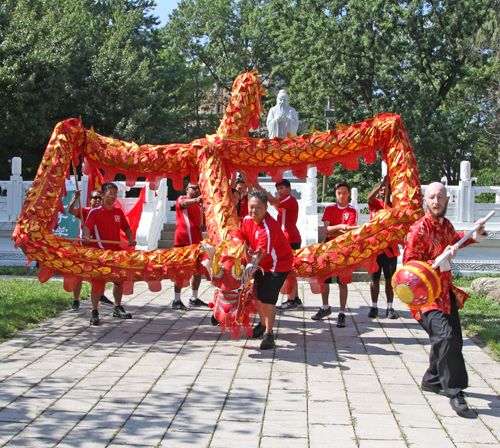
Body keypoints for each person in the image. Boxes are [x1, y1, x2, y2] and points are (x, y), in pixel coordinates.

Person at [404, 182, 487, 415]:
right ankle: (455, 390)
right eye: (432, 197)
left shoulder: (446, 225)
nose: (436, 201)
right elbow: (410, 268)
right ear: (425, 201)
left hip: (446, 293)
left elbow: (457, 238)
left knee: (452, 340)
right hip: (425, 297)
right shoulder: (418, 230)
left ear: (447, 199)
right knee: (446, 337)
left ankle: (432, 379)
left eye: (440, 197)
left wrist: (476, 233)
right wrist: (440, 258)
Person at [241, 190, 293, 350]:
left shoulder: (268, 229)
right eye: (251, 207)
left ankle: (269, 334)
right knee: (256, 294)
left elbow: (261, 255)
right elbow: (243, 241)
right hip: (261, 263)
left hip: (278, 264)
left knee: (268, 298)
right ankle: (263, 324)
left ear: (266, 208)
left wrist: (246, 272)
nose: (254, 211)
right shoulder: (247, 220)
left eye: (258, 207)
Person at [82, 182, 136, 325]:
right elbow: (87, 227)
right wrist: (86, 237)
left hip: (116, 252)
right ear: (103, 194)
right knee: (98, 281)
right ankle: (94, 311)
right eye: (110, 193)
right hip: (101, 252)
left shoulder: (118, 211)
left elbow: (127, 228)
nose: (113, 196)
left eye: (115, 193)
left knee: (118, 280)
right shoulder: (95, 212)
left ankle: (117, 308)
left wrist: (131, 239)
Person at [312, 181, 358, 327]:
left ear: (349, 194)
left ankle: (342, 313)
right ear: (335, 193)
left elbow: (348, 231)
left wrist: (334, 229)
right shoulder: (330, 209)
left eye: (344, 193)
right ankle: (325, 308)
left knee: (342, 281)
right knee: (324, 279)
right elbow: (326, 230)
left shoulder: (352, 211)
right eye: (339, 193)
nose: (341, 195)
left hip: (344, 248)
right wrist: (338, 227)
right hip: (329, 246)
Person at [252, 179, 302, 310]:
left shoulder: (290, 200)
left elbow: (271, 199)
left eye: (282, 188)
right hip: (288, 238)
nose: (279, 191)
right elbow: (270, 199)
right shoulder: (284, 203)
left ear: (289, 188)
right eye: (278, 189)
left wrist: (256, 185)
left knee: (288, 270)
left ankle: (291, 300)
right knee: (292, 270)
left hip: (290, 239)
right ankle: (295, 299)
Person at [67, 189, 112, 310]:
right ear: (90, 200)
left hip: (98, 247)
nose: (97, 200)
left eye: (99, 198)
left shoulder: (104, 212)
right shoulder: (84, 211)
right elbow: (70, 210)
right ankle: (76, 301)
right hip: (83, 247)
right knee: (78, 274)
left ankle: (101, 295)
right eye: (95, 198)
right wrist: (75, 197)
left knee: (100, 274)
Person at [173, 184, 208, 310]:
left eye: (199, 188)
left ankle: (194, 298)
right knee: (180, 270)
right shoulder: (182, 198)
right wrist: (196, 200)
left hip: (196, 241)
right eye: (194, 187)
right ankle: (176, 300)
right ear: (187, 189)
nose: (197, 190)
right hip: (183, 240)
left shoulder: (200, 206)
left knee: (198, 270)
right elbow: (182, 204)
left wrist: (204, 226)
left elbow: (203, 223)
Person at [367, 176, 397, 319]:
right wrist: (381, 185)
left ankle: (389, 307)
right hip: (376, 247)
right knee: (375, 279)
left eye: (387, 189)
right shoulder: (376, 204)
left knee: (390, 278)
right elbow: (369, 197)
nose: (384, 192)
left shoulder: (394, 207)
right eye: (382, 190)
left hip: (390, 248)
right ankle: (374, 307)